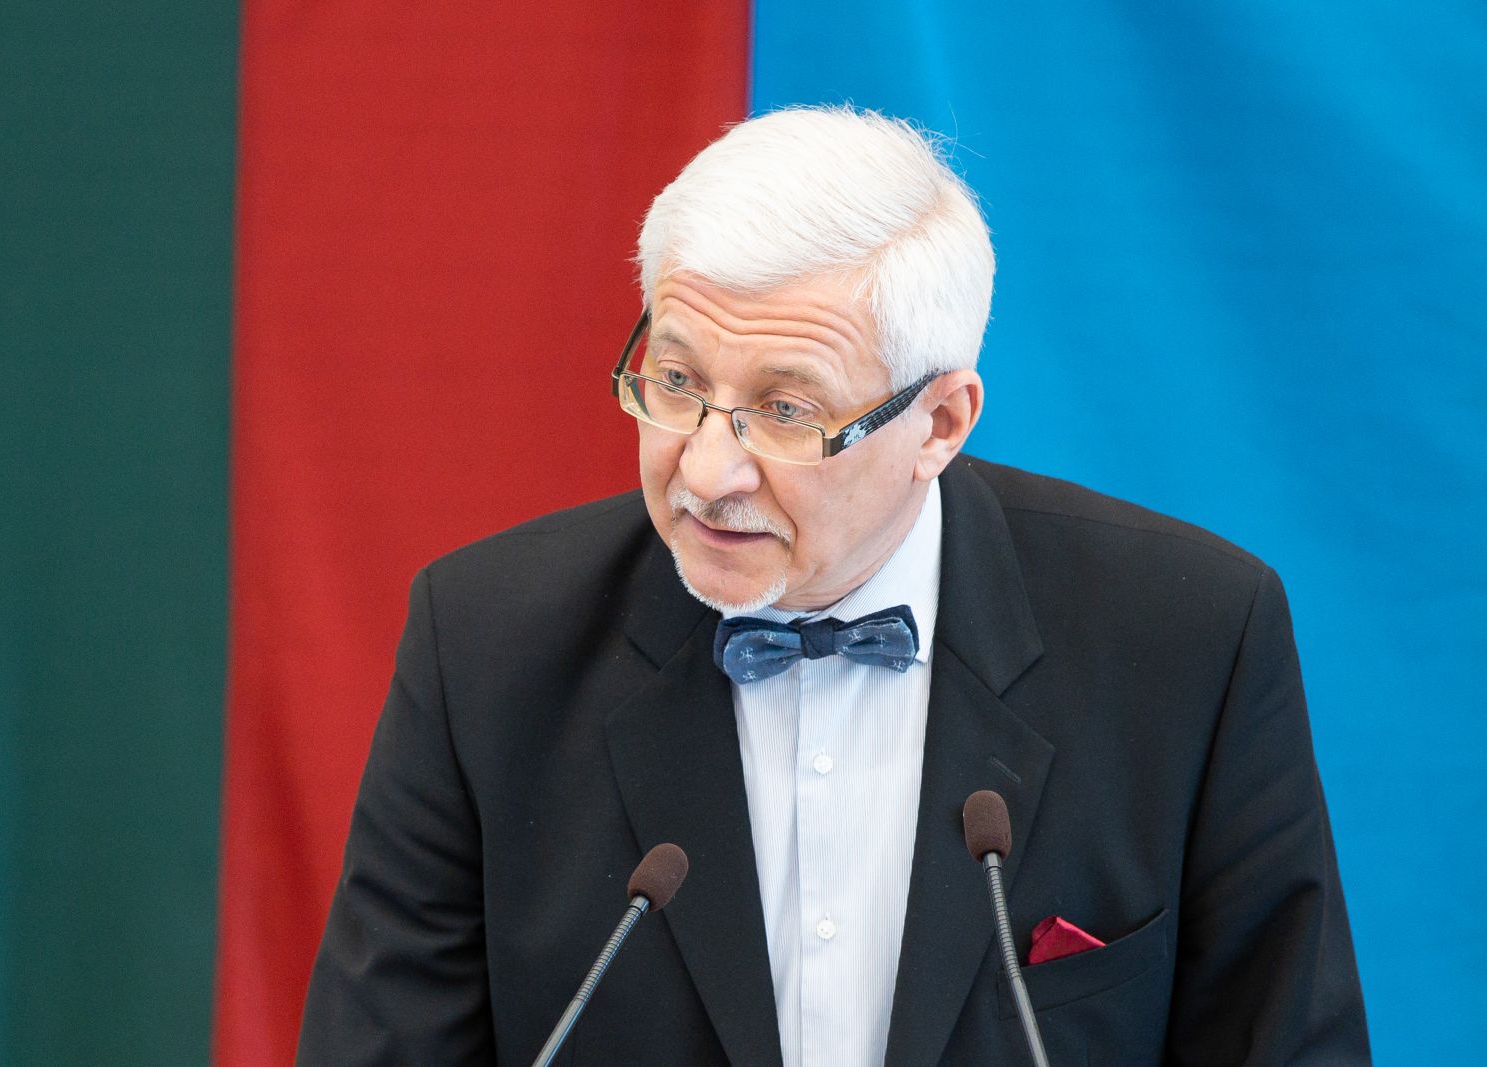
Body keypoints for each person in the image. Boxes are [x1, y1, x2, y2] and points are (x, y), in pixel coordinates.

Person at [296, 107, 1369, 1066]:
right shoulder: (485, 645)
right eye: (678, 381)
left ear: (939, 423)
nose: (707, 471)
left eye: (786, 410)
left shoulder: (1186, 638)